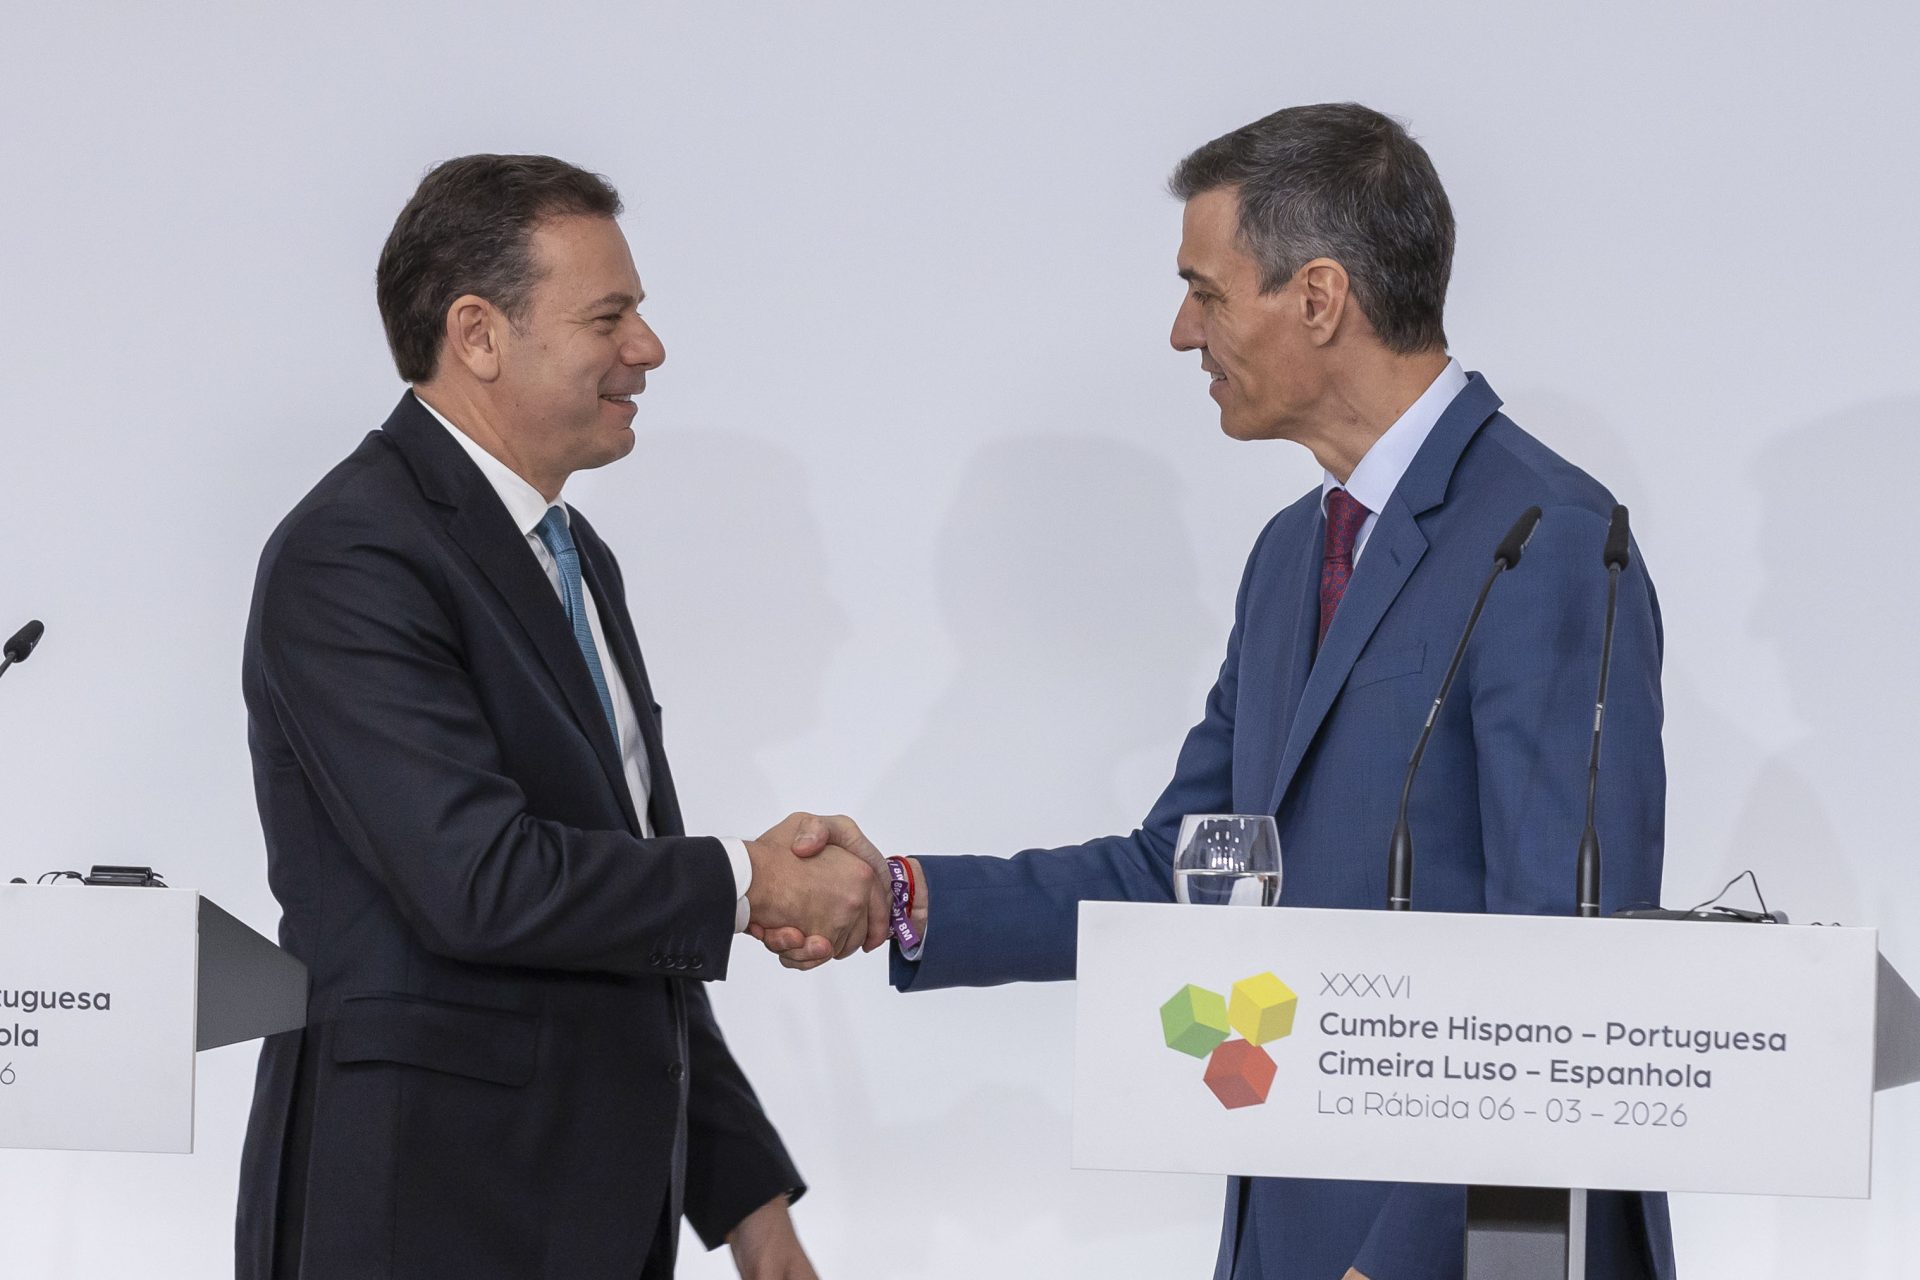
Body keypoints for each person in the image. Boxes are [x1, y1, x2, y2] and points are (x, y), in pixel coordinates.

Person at [763, 105, 1678, 1279]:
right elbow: (1187, 868)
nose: (1182, 330)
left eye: (1205, 289)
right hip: (1288, 1227)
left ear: (1318, 296)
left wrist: (1392, 1263)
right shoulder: (1293, 553)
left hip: (1466, 1249)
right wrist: (896, 896)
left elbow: (1563, 964)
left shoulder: (1547, 535)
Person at [237, 154, 881, 1280]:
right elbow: (480, 880)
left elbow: (627, 919)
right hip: (424, 1215)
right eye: (611, 315)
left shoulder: (579, 561)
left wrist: (754, 1210)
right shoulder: (355, 553)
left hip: (583, 1211)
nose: (649, 347)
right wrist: (750, 878)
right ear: (478, 334)